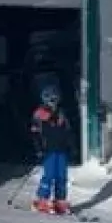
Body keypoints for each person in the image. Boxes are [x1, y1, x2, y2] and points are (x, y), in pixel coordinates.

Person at [30, 82, 73, 214]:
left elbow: (68, 131)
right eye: (51, 99)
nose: (53, 102)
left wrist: (71, 146)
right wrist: (39, 149)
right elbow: (35, 133)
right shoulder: (40, 113)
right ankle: (42, 199)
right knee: (49, 175)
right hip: (48, 149)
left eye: (55, 99)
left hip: (61, 149)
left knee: (62, 176)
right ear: (45, 99)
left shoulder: (61, 113)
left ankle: (60, 200)